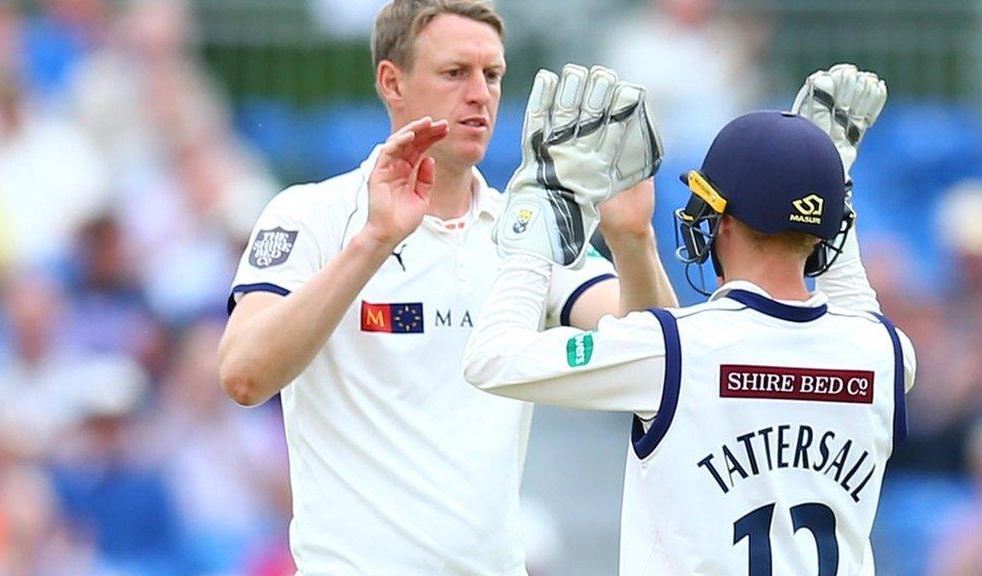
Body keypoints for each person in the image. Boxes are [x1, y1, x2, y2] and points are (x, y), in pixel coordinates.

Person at [217, 1, 675, 574]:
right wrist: (375, 240)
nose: (481, 93)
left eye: (493, 75)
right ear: (392, 81)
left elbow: (658, 357)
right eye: (455, 73)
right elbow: (243, 375)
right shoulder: (312, 213)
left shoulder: (527, 232)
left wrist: (633, 239)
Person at [463, 64, 917, 574]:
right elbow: (850, 296)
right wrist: (827, 174)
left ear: (721, 221)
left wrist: (542, 209)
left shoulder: (673, 348)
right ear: (829, 231)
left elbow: (491, 359)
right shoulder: (889, 355)